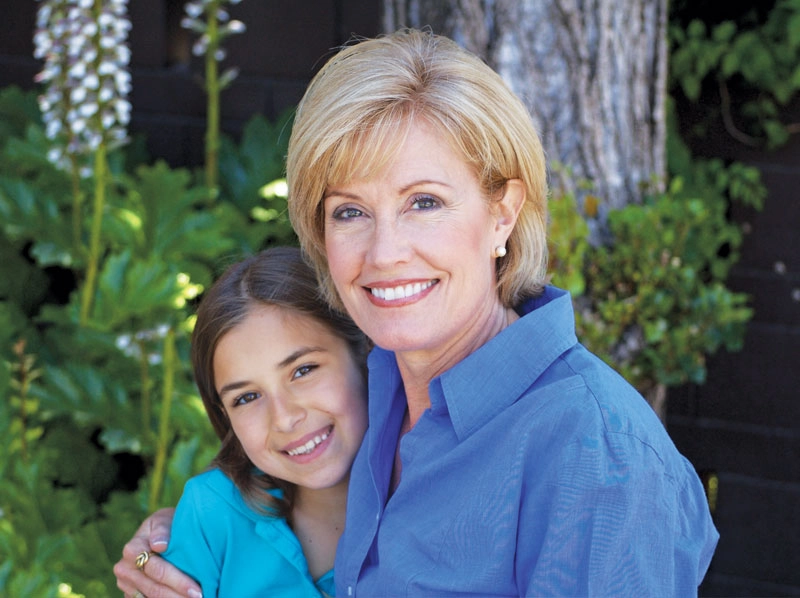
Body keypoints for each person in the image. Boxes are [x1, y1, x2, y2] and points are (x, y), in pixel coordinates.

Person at [115, 28, 718, 597]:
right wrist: (167, 546)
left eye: (424, 202)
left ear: (503, 214)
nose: (384, 254)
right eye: (350, 211)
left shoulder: (597, 457)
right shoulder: (381, 394)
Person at [115, 247, 368, 598]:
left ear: (365, 354)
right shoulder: (212, 515)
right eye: (246, 398)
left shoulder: (440, 493)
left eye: (303, 370)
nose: (284, 417)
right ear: (225, 416)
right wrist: (153, 556)